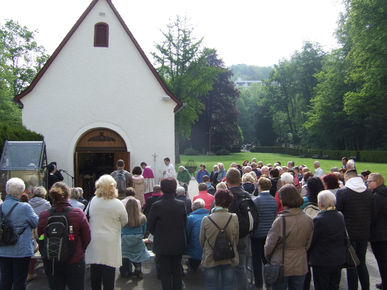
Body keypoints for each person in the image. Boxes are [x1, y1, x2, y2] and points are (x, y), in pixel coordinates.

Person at [38, 182, 91, 290]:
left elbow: (41, 236)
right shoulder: (78, 213)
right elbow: (87, 236)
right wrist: (80, 249)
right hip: (75, 259)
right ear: (68, 195)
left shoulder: (44, 215)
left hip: (52, 259)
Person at [265, 184, 314, 290]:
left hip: (281, 263)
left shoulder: (280, 221)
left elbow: (269, 245)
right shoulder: (308, 219)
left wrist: (269, 257)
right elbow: (308, 243)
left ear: (283, 200)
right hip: (300, 263)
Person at [85, 175, 128, 290]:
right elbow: (125, 221)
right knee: (109, 275)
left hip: (94, 240)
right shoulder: (117, 203)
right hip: (111, 241)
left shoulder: (92, 201)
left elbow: (86, 218)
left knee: (95, 274)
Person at [336, 169, 374, 290]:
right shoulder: (368, 193)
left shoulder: (343, 192)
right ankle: (365, 287)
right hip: (364, 232)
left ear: (347, 178)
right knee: (361, 262)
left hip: (349, 234)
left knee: (351, 264)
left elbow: (338, 212)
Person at [147, 177, 187, 290]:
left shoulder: (156, 205)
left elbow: (150, 226)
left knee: (165, 273)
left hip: (162, 243)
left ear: (162, 188)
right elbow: (184, 223)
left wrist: (159, 233)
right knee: (177, 271)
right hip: (178, 242)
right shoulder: (181, 204)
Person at [0, 177, 39, 290]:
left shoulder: (1, 207)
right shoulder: (25, 207)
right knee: (20, 282)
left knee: (5, 281)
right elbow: (36, 222)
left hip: (3, 249)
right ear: (22, 192)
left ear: (7, 191)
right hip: (21, 250)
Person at [200, 189, 239, 290]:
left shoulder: (206, 219)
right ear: (229, 203)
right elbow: (236, 239)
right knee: (228, 285)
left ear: (215, 201)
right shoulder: (234, 218)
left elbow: (201, 241)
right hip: (229, 257)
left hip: (211, 257)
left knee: (211, 285)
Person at [226, 168, 258, 290]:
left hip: (228, 236)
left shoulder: (225, 195)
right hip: (244, 234)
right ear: (240, 179)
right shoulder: (247, 195)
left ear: (227, 180)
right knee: (241, 266)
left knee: (228, 267)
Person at [308, 190, 346, 290]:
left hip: (322, 260)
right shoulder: (340, 215)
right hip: (337, 258)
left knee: (321, 285)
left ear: (320, 204)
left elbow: (312, 240)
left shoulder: (318, 220)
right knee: (334, 285)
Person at [251, 177, 277, 289]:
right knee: (266, 260)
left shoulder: (256, 201)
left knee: (256, 260)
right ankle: (269, 282)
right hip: (269, 234)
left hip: (257, 234)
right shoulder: (273, 200)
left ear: (259, 187)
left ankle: (258, 284)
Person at [120, 199, 150, 278]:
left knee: (125, 256)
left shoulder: (123, 217)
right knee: (137, 256)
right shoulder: (143, 217)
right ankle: (138, 270)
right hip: (137, 239)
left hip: (125, 239)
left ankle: (125, 271)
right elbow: (144, 231)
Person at [367, 173, 387, 290]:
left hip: (379, 234)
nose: (367, 183)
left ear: (376, 182)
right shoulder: (383, 193)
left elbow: (372, 216)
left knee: (382, 261)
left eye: (369, 181)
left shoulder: (376, 197)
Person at [28, 186, 51, 281]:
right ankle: (47, 270)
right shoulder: (47, 204)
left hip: (32, 231)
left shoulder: (28, 204)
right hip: (42, 232)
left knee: (32, 251)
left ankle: (30, 272)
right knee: (45, 249)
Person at [186, 198, 208, 271]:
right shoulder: (210, 216)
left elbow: (187, 233)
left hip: (194, 249)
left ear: (193, 208)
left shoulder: (190, 218)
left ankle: (193, 267)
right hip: (208, 249)